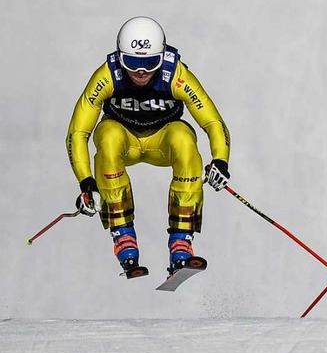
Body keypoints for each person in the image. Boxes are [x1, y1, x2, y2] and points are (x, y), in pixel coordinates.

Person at [66, 16, 231, 277]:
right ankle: (123, 234)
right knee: (106, 134)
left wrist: (220, 160)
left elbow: (212, 121)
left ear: (162, 54)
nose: (141, 72)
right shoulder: (107, 75)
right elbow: (78, 131)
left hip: (161, 142)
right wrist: (86, 183)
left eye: (149, 62)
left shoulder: (175, 74)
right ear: (120, 56)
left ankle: (181, 241)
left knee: (183, 138)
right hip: (125, 141)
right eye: (132, 63)